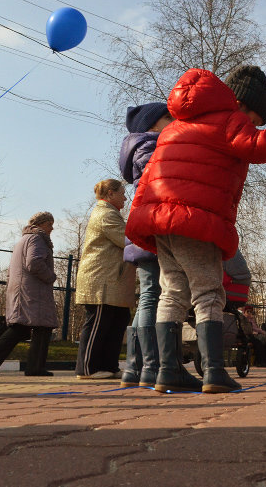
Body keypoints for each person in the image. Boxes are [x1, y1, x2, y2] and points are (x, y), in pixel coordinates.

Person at [126, 65, 266, 393]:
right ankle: (213, 371)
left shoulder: (176, 125)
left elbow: (151, 176)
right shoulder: (230, 119)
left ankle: (167, 371)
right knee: (208, 291)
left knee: (172, 291)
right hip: (195, 219)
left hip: (159, 220)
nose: (253, 127)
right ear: (245, 107)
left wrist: (144, 218)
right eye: (255, 120)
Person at [118, 102, 172, 388]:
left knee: (147, 297)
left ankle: (133, 367)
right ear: (152, 124)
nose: (172, 122)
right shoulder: (149, 147)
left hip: (143, 224)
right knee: (153, 296)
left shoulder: (141, 146)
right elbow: (162, 177)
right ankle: (150, 367)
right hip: (153, 225)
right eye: (168, 118)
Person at [0, 212, 58, 377]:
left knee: (21, 328)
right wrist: (51, 277)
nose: (52, 228)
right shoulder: (37, 238)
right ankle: (35, 367)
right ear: (41, 224)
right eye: (50, 224)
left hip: (22, 288)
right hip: (33, 291)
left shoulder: (23, 239)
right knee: (43, 326)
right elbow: (34, 263)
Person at [74, 179, 132, 380]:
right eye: (122, 193)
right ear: (109, 194)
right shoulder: (105, 214)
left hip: (113, 280)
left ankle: (109, 366)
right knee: (99, 322)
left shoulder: (111, 213)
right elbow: (127, 239)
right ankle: (87, 368)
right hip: (101, 279)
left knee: (117, 320)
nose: (125, 197)